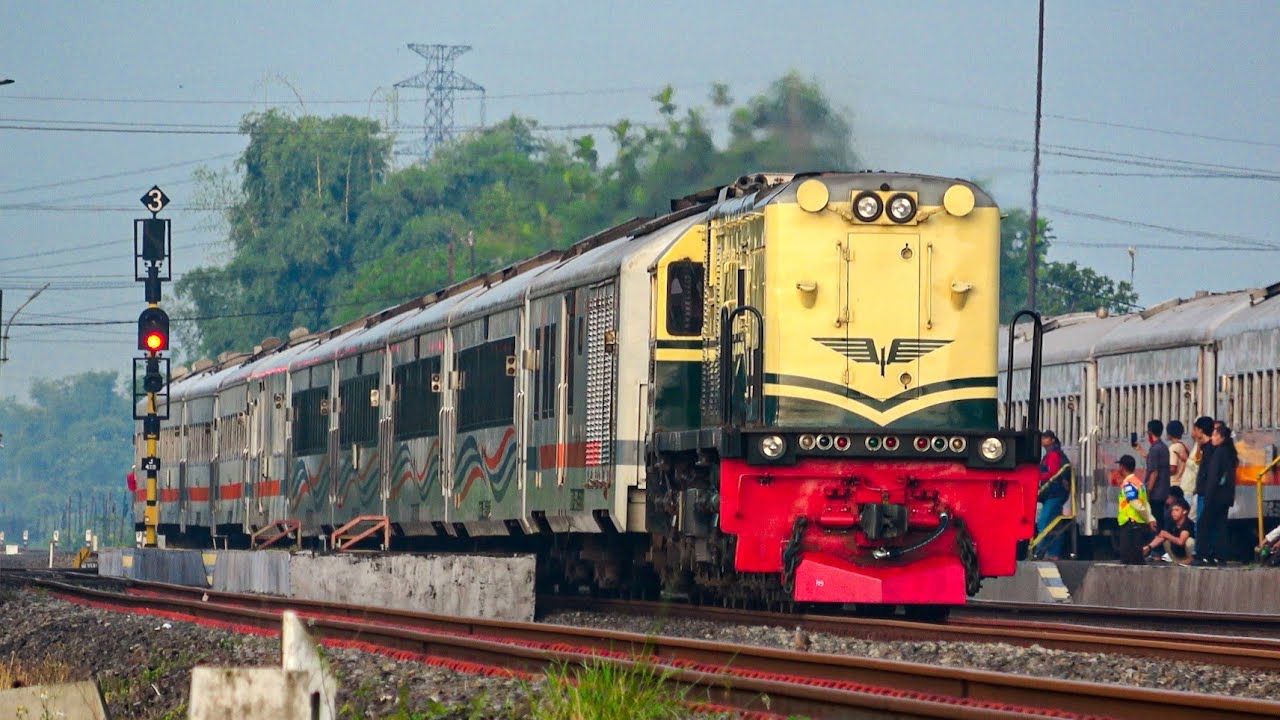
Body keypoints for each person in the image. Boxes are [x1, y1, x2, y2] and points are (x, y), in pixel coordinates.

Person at [1196, 425, 1238, 566]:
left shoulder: (1219, 453)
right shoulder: (1230, 453)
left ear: (1221, 437)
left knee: (1202, 524)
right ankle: (1220, 556)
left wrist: (1208, 496)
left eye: (1214, 435)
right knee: (1221, 526)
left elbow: (1213, 477)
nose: (1212, 438)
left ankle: (1202, 555)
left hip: (1215, 496)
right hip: (1226, 497)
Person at [1035, 430, 1072, 559]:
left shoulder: (1053, 455)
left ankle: (1039, 551)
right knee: (1055, 524)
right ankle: (1054, 553)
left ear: (1052, 440)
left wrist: (1037, 476)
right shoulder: (1053, 454)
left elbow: (1052, 473)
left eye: (1046, 438)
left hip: (1054, 493)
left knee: (1043, 523)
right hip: (1056, 493)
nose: (1043, 440)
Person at [1116, 454, 1157, 565]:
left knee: (1128, 558)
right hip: (1138, 524)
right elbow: (1145, 503)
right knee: (1137, 558)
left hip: (1130, 524)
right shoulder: (1139, 483)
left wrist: (1149, 519)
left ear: (1122, 468)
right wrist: (1150, 518)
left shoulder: (1128, 484)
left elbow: (1135, 503)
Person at [1133, 419, 1171, 527]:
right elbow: (1152, 460)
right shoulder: (1163, 447)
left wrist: (1148, 492)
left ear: (1150, 432)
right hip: (1163, 492)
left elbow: (1154, 473)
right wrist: (1140, 450)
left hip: (1155, 494)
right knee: (1160, 522)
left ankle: (1155, 543)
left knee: (1154, 523)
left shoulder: (1155, 449)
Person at [1144, 499, 1196, 565]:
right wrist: (1148, 547)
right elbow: (1162, 536)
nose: (1173, 513)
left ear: (1184, 511)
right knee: (1165, 541)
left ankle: (1190, 559)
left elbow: (1181, 542)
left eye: (1177, 510)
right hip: (1176, 553)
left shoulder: (1188, 524)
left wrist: (1168, 535)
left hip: (1186, 554)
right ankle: (1176, 561)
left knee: (1190, 541)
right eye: (1172, 510)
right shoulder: (1172, 523)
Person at [1185, 416, 1214, 522]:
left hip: (1204, 493)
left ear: (1200, 431)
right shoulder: (1206, 447)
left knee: (1199, 523)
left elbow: (1203, 470)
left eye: (1195, 429)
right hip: (1203, 492)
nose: (1194, 432)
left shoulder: (1208, 449)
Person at [1166, 420, 1190, 499]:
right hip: (1182, 484)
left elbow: (1172, 469)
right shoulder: (1184, 446)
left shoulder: (1173, 448)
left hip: (1174, 485)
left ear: (1169, 434)